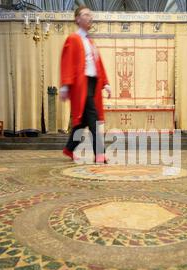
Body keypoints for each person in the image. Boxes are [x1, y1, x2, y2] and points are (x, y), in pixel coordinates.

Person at [60, 5, 111, 164]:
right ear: (77, 19)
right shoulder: (73, 38)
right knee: (94, 120)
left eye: (91, 14)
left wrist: (105, 83)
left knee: (82, 122)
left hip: (92, 84)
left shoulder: (90, 41)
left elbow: (98, 63)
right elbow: (67, 62)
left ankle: (69, 149)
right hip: (81, 86)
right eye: (86, 14)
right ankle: (100, 154)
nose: (90, 17)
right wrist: (65, 85)